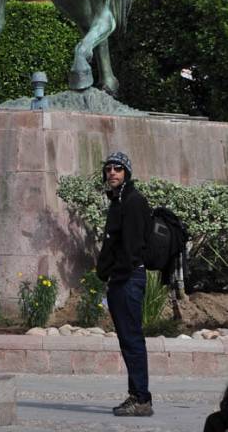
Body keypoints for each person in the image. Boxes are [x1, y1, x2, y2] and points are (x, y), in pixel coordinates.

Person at [96, 151, 154, 417]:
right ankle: (137, 396)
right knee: (128, 340)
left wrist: (115, 275)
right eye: (108, 169)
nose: (112, 173)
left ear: (126, 173)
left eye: (118, 169)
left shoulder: (132, 201)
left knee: (132, 340)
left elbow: (132, 248)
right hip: (121, 279)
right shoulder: (119, 200)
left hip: (128, 279)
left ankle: (141, 399)